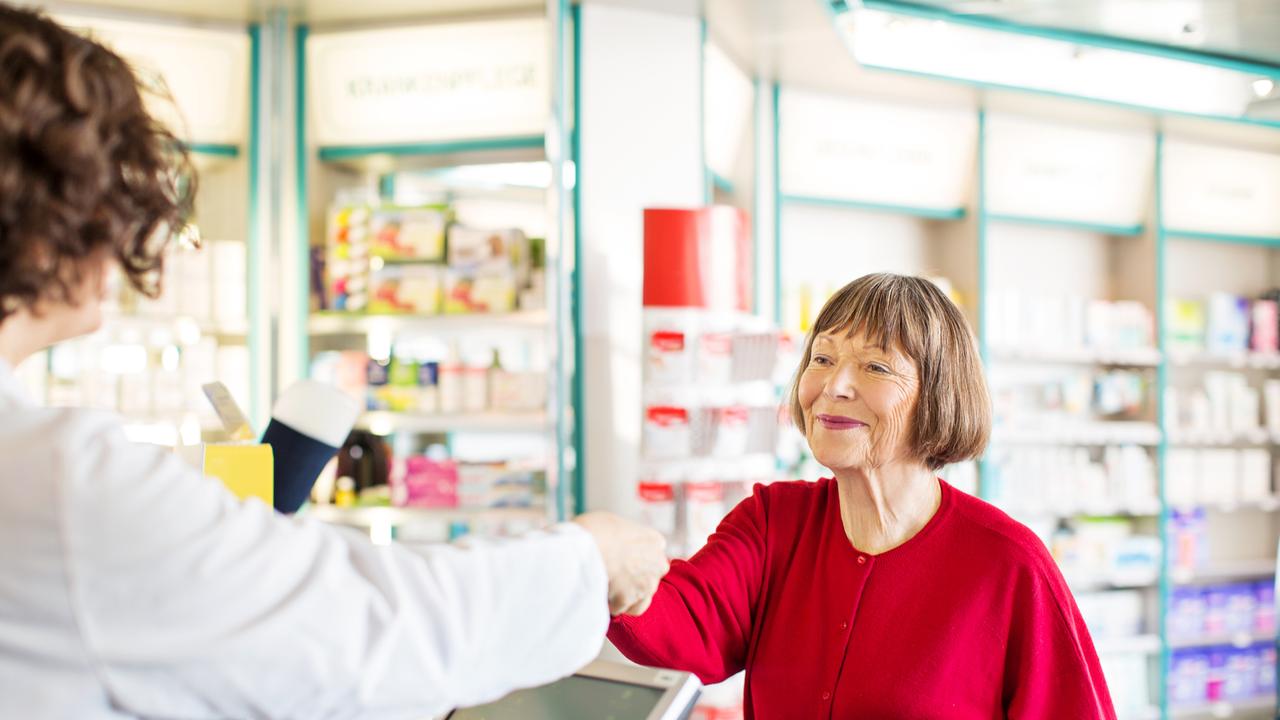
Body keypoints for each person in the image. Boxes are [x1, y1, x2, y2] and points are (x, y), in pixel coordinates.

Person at [0, 6, 668, 718]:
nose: (127, 230)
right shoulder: (57, 479)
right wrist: (587, 559)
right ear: (44, 216)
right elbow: (370, 632)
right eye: (110, 191)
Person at [609, 273, 1117, 719]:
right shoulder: (774, 522)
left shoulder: (1009, 565)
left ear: (938, 394)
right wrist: (600, 564)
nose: (835, 385)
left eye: (875, 367)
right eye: (823, 358)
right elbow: (680, 624)